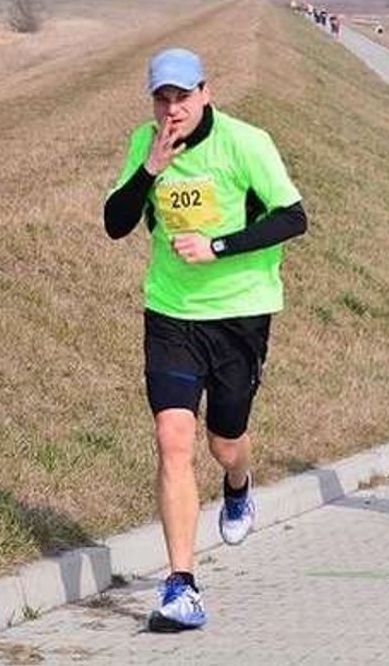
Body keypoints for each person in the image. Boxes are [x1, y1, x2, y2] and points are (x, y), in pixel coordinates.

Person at [103, 48, 307, 632]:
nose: (172, 110)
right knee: (172, 437)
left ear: (205, 93)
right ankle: (181, 585)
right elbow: (116, 224)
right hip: (170, 313)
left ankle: (238, 484)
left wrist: (218, 247)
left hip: (241, 314)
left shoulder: (246, 143)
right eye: (162, 99)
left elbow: (293, 217)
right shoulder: (146, 144)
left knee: (225, 442)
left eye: (182, 98)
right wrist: (149, 171)